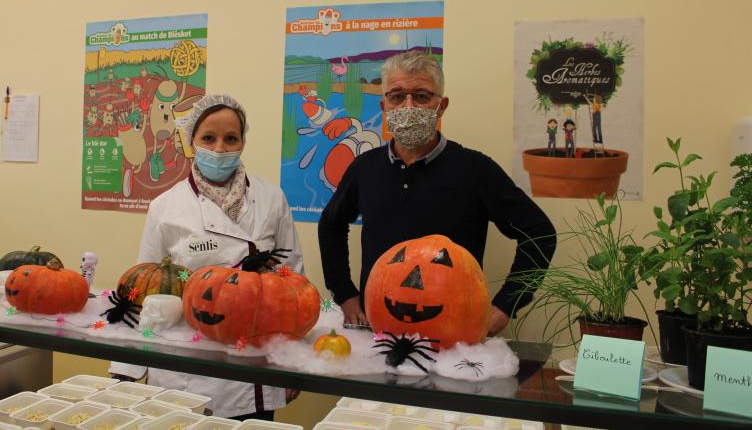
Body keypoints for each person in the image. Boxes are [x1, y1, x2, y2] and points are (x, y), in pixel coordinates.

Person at [318, 51, 556, 336]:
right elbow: (331, 224)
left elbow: (539, 234)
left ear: (441, 106)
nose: (408, 106)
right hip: (377, 331)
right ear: (384, 106)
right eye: (397, 96)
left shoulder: (475, 169)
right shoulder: (365, 168)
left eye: (421, 96)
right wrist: (344, 294)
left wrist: (506, 305)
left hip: (454, 336)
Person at [109, 94, 300, 421]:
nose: (221, 148)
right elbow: (144, 289)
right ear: (191, 140)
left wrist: (292, 363)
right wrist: (126, 369)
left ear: (243, 141)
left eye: (231, 138)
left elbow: (293, 283)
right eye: (209, 138)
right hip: (186, 362)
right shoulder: (165, 206)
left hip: (253, 360)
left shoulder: (271, 199)